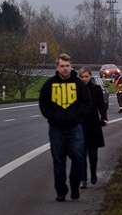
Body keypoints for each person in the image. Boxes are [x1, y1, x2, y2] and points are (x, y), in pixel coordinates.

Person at [39, 53, 91, 202]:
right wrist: (52, 116)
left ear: (71, 66)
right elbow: (43, 104)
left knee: (78, 157)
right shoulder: (49, 84)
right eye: (62, 66)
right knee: (58, 160)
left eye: (67, 66)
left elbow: (86, 103)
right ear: (57, 67)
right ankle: (61, 191)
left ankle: (75, 186)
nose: (65, 69)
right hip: (56, 128)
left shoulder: (79, 85)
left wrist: (76, 116)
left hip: (75, 127)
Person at [78, 67, 108, 188]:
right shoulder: (76, 89)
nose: (84, 79)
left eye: (86, 76)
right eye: (82, 77)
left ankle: (93, 173)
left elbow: (101, 105)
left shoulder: (96, 89)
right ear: (79, 77)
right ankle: (83, 179)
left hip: (93, 124)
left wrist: (104, 118)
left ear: (90, 76)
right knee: (81, 155)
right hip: (80, 125)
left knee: (93, 154)